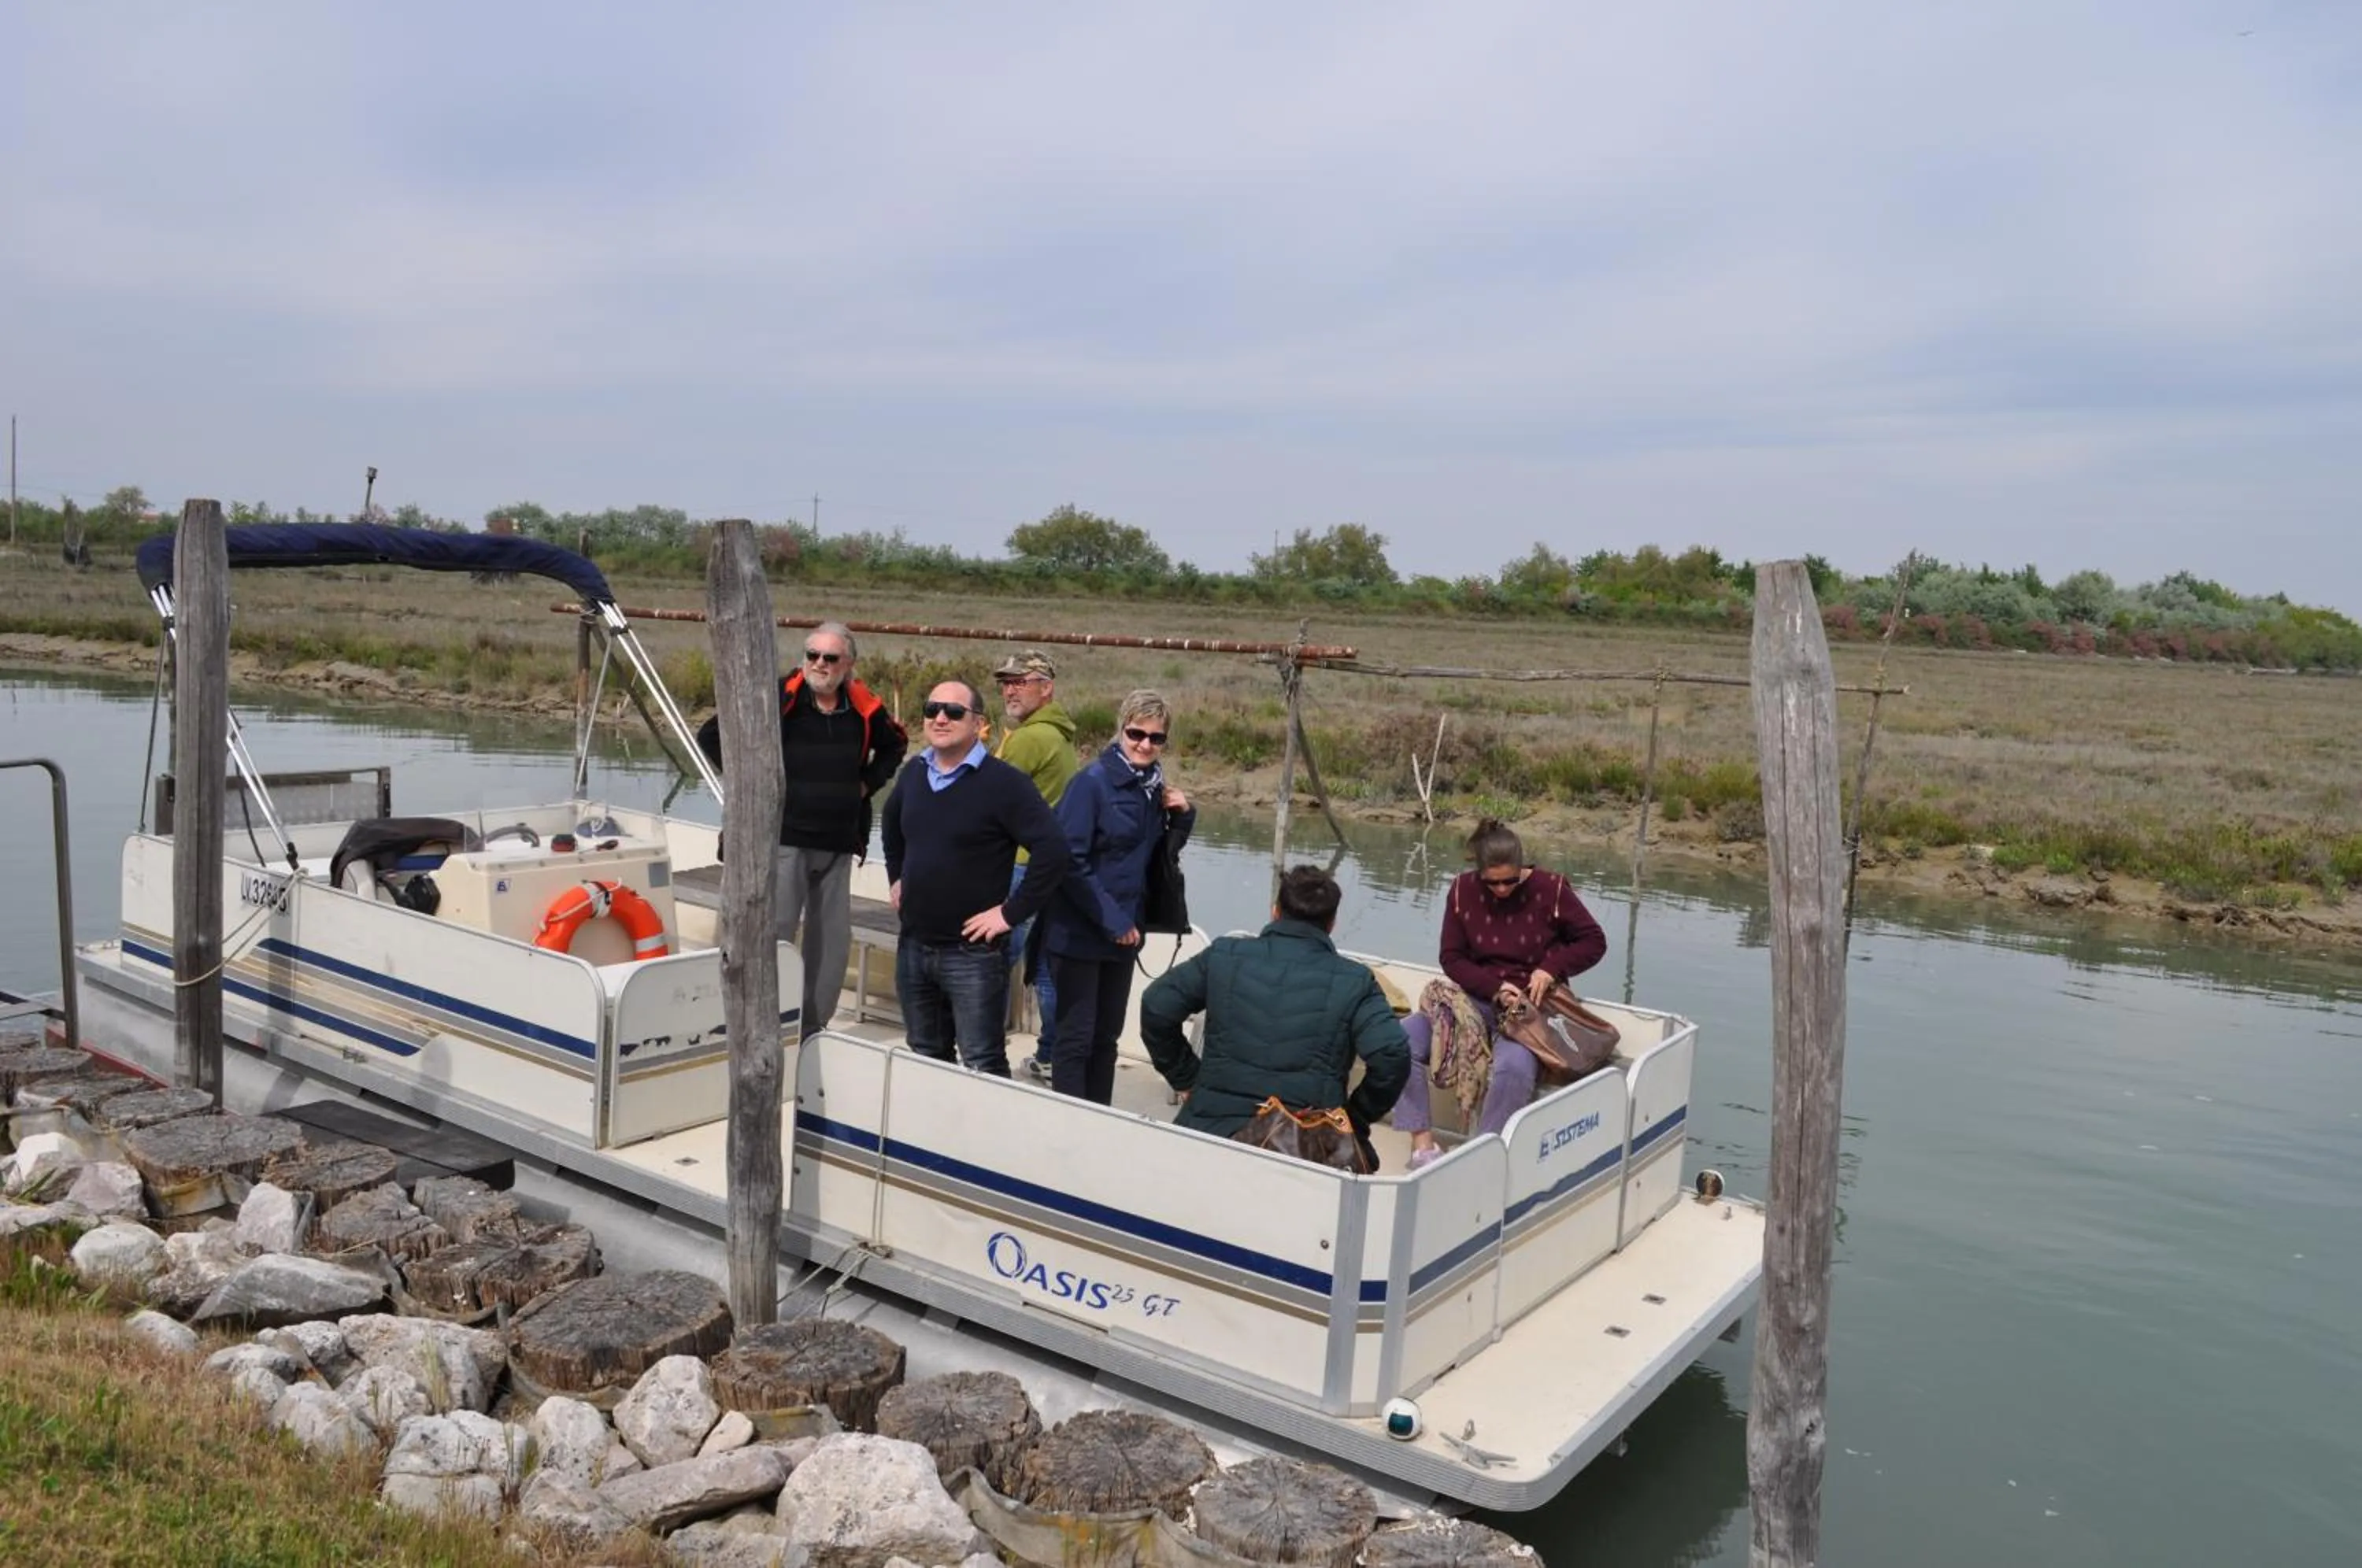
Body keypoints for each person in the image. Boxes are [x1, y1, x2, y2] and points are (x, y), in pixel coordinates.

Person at [695, 619, 905, 1040]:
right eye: (813, 655)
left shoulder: (862, 706)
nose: (820, 664)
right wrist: (750, 781)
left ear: (849, 664)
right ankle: (757, 1023)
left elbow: (896, 745)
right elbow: (712, 734)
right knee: (773, 935)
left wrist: (867, 784)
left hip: (839, 843)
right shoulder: (776, 696)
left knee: (830, 945)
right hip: (782, 840)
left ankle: (812, 1025)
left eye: (830, 658)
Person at [1140, 864, 1409, 1146]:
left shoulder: (1225, 955)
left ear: (1275, 911)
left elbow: (1156, 1006)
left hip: (1211, 1128)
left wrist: (1187, 1078)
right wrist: (1355, 1117)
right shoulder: (1356, 981)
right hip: (1308, 1142)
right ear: (1331, 925)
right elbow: (1393, 1055)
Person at [880, 679, 1070, 1077]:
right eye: (932, 709)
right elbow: (891, 826)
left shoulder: (1004, 784)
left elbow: (1053, 850)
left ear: (978, 722)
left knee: (982, 1062)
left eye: (953, 712)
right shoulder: (914, 773)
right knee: (925, 1054)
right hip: (914, 946)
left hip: (973, 956)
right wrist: (896, 877)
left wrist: (1009, 914)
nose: (940, 719)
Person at [1394, 819, 1607, 1170]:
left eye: (1511, 881)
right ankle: (1423, 1146)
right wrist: (1494, 988)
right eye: (1492, 883)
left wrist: (1549, 967)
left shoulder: (1551, 890)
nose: (1503, 890)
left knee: (1514, 1070)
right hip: (1473, 999)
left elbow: (1593, 941)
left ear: (1523, 868)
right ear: (1478, 873)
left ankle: (1481, 1160)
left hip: (1531, 1011)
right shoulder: (1462, 891)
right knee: (1399, 1041)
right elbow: (1452, 957)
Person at [1039, 690, 1195, 1104]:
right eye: (1135, 734)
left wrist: (1184, 817)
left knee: (1106, 1037)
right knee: (1076, 1038)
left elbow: (1156, 860)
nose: (1145, 744)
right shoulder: (1090, 784)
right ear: (1120, 731)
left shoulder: (1152, 788)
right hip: (1078, 931)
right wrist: (1114, 920)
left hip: (1124, 934)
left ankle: (1099, 1119)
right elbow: (1068, 860)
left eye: (1156, 738)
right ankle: (1069, 1124)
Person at [990, 649, 1081, 1083]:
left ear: (1046, 688)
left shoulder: (1029, 738)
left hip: (1021, 866)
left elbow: (987, 794)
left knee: (994, 957)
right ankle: (1052, 1055)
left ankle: (983, 1045)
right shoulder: (1062, 733)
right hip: (1051, 868)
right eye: (1005, 681)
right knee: (1046, 967)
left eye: (1020, 681)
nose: (1010, 689)